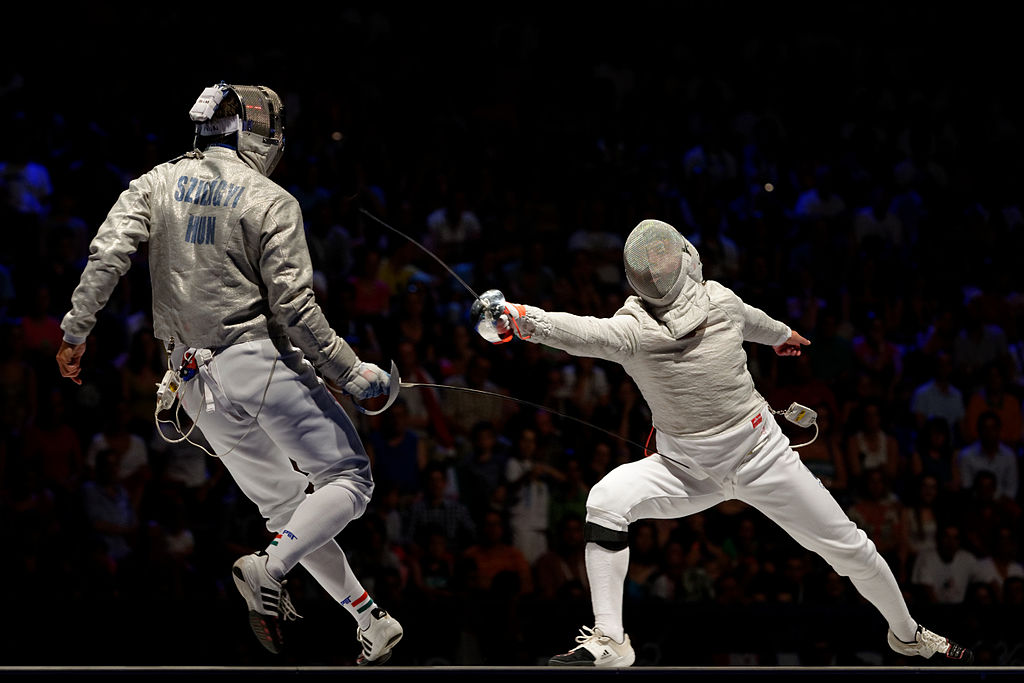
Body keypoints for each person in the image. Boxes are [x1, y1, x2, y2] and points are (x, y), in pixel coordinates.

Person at [471, 219, 973, 666]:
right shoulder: (655, 322)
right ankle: (611, 638)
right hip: (685, 467)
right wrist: (522, 318)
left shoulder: (697, 310)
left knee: (853, 551)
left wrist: (781, 335)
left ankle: (908, 636)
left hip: (762, 457)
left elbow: (750, 321)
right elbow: (578, 332)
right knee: (606, 501)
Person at [55, 82, 402, 665]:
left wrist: (74, 332)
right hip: (256, 362)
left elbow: (106, 254)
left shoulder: (153, 183)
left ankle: (370, 618)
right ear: (257, 134)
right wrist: (353, 373)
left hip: (192, 383)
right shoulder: (270, 199)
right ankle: (268, 567)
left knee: (291, 512)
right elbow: (294, 309)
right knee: (349, 478)